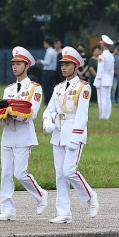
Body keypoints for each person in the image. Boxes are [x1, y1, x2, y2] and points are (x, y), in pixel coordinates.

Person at [42, 46, 99, 222]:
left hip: (73, 133)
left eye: (67, 64)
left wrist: (76, 137)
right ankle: (64, 212)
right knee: (60, 174)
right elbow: (48, 110)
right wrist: (47, 122)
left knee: (69, 171)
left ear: (76, 66)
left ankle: (90, 196)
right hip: (58, 134)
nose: (63, 67)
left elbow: (82, 115)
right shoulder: (58, 87)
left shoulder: (83, 87)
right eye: (62, 64)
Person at [0, 47, 48, 221]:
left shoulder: (34, 88)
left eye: (18, 64)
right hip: (8, 134)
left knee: (20, 173)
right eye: (13, 64)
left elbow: (32, 113)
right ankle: (7, 209)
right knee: (6, 173)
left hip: (24, 134)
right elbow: (2, 111)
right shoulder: (8, 89)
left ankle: (40, 195)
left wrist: (12, 114)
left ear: (27, 66)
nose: (15, 67)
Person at [94, 35, 115, 120]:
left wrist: (98, 81)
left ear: (103, 45)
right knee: (107, 98)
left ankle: (102, 116)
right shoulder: (111, 56)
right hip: (109, 79)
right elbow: (112, 71)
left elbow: (100, 70)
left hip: (102, 79)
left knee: (102, 100)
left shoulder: (102, 56)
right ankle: (107, 115)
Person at [40, 38, 58, 103]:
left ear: (47, 44)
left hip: (48, 71)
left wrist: (41, 61)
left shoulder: (49, 52)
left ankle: (47, 101)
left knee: (46, 86)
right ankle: (50, 100)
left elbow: (47, 62)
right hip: (53, 71)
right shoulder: (54, 51)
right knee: (51, 87)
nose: (44, 45)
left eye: (44, 43)